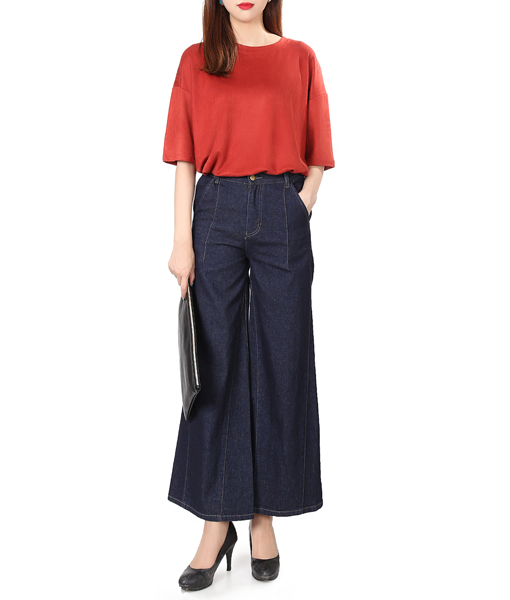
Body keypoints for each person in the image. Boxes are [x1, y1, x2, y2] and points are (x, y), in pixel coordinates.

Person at [163, 0, 335, 591]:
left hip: (282, 208)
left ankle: (263, 518)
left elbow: (319, 150)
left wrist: (301, 204)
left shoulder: (299, 58)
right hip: (215, 212)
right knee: (214, 368)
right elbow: (184, 157)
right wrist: (181, 239)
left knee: (282, 361)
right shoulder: (196, 61)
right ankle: (217, 522)